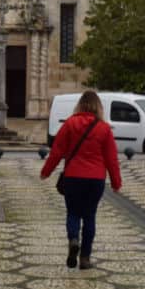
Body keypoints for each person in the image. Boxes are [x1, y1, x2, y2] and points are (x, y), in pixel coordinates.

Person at [41, 90, 122, 269]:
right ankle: (85, 258)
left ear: (79, 105)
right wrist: (116, 183)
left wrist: (46, 172)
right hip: (95, 180)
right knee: (89, 216)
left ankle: (73, 240)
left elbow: (57, 152)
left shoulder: (70, 124)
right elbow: (111, 159)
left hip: (73, 177)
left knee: (73, 213)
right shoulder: (104, 128)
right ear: (98, 107)